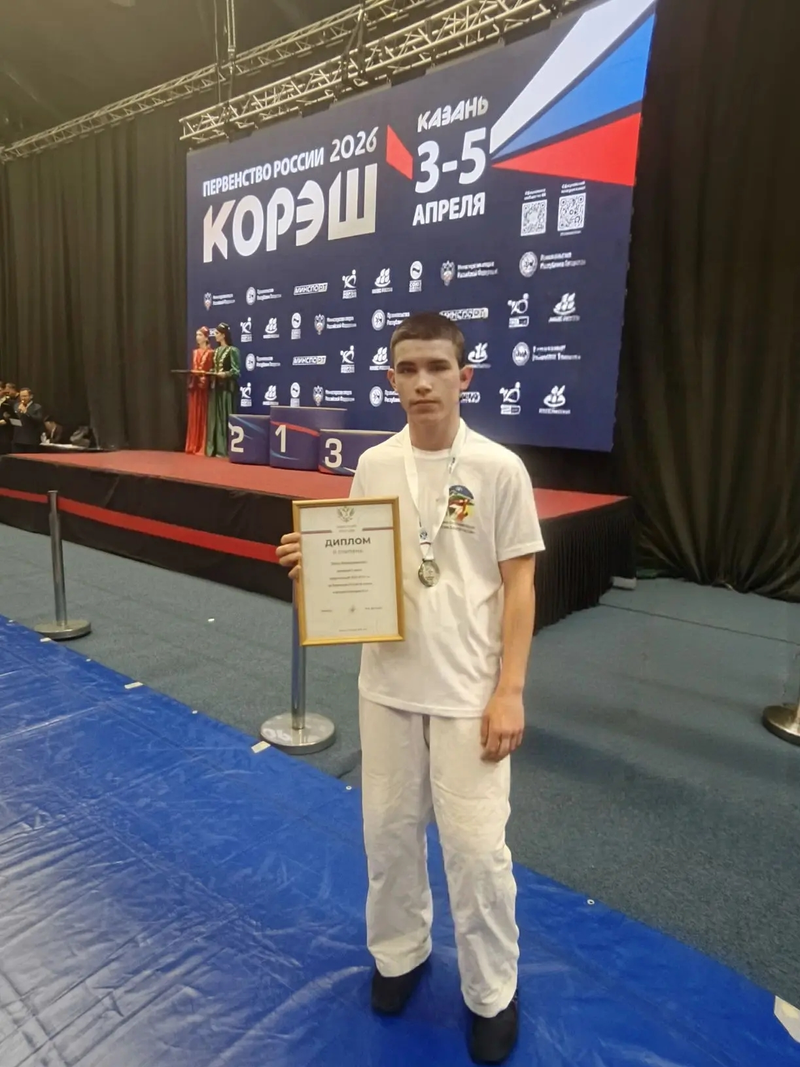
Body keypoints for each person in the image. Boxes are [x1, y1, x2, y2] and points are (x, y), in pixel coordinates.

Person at [277, 312, 544, 1064]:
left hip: (470, 692)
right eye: (407, 369)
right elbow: (357, 564)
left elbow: (520, 586)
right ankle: (400, 953)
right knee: (388, 833)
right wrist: (313, 565)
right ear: (390, 378)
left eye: (437, 367)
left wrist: (511, 689)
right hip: (388, 682)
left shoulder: (498, 468)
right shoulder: (374, 464)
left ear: (465, 376)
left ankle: (492, 990)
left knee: (477, 851)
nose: (422, 382)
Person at [205, 323, 240, 458]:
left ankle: (225, 448)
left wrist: (224, 374)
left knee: (225, 417)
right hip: (216, 388)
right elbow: (214, 368)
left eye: (217, 333)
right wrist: (210, 373)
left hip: (227, 389)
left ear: (223, 335)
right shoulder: (216, 351)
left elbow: (236, 371)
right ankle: (215, 447)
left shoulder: (233, 351)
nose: (215, 336)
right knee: (215, 418)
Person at [185, 326, 214, 454]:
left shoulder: (211, 353)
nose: (197, 338)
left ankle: (202, 443)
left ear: (206, 338)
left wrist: (203, 377)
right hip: (195, 386)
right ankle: (193, 443)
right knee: (194, 413)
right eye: (197, 335)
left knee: (204, 413)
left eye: (200, 335)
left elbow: (210, 370)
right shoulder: (195, 352)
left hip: (204, 388)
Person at [12, 388, 44, 453]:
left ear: (31, 396)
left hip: (30, 440)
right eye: (21, 396)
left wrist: (26, 412)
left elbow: (39, 420)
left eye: (25, 396)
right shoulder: (16, 405)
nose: (23, 398)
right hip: (17, 439)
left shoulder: (37, 407)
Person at [0, 383, 18, 455]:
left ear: (4, 390)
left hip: (6, 435)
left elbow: (17, 419)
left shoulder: (11, 403)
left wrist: (6, 421)